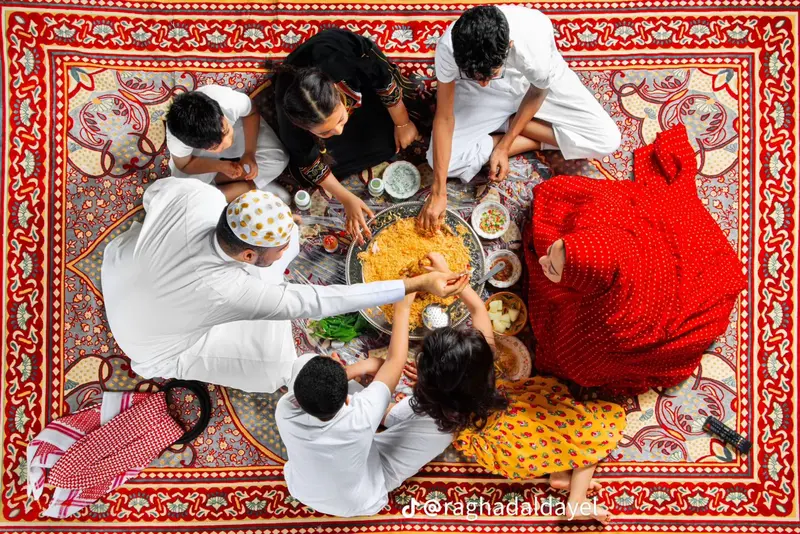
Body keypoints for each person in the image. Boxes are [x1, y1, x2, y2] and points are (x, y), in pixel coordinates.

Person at [101, 178, 468, 393]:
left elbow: (156, 193)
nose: (281, 255)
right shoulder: (229, 291)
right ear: (247, 256)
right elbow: (317, 301)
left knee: (289, 239)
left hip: (121, 266)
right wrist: (415, 283)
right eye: (272, 253)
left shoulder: (202, 198)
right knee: (274, 368)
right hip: (150, 343)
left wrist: (280, 233)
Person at [401, 254, 624, 524]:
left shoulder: (438, 403)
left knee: (563, 432)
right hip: (515, 425)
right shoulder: (487, 356)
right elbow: (478, 310)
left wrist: (426, 382)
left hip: (502, 448)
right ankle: (576, 501)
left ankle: (559, 476)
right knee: (590, 426)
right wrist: (447, 274)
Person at [525, 125, 746, 395]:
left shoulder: (611, 326)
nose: (544, 260)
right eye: (555, 252)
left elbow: (581, 361)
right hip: (656, 253)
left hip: (677, 298)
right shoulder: (607, 218)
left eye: (552, 265)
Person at [419, 6, 621, 230]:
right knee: (440, 162)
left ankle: (511, 128)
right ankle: (512, 124)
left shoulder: (534, 44)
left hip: (532, 86)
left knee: (607, 140)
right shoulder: (450, 47)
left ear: (509, 48)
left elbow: (537, 92)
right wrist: (439, 192)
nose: (484, 81)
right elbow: (444, 117)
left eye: (490, 74)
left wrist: (504, 147)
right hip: (485, 97)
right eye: (476, 75)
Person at [275, 293, 454, 517]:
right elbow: (393, 362)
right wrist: (403, 306)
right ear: (348, 400)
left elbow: (384, 368)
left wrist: (361, 373)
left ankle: (388, 414)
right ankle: (389, 415)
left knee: (302, 362)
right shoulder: (360, 417)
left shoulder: (284, 410)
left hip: (303, 489)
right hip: (361, 499)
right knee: (444, 426)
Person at [274, 28, 424, 244]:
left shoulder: (346, 63)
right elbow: (307, 160)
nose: (338, 132)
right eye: (325, 132)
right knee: (325, 169)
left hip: (351, 75)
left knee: (391, 136)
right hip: (321, 106)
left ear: (337, 91)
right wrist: (346, 198)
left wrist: (403, 122)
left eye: (341, 120)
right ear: (303, 127)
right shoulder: (291, 122)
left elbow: (381, 77)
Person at [166, 84, 290, 203]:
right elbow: (184, 165)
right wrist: (220, 166)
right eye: (215, 147)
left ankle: (241, 187)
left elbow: (251, 112)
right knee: (182, 191)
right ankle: (252, 186)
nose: (227, 143)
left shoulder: (228, 102)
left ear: (222, 116)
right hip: (201, 156)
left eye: (225, 132)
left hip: (237, 128)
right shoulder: (179, 142)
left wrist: (249, 152)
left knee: (279, 158)